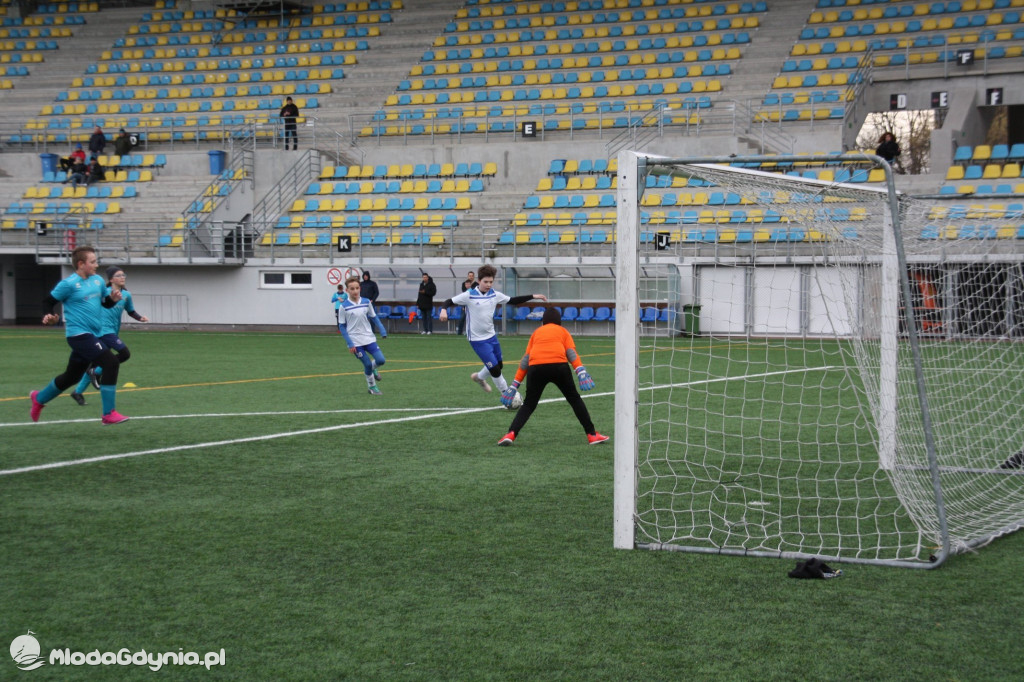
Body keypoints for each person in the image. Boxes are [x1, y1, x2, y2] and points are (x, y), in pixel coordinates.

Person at [29, 245, 129, 425]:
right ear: (81, 264)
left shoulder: (98, 281)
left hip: (94, 335)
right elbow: (48, 302)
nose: (96, 265)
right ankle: (108, 414)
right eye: (93, 262)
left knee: (72, 376)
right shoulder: (68, 284)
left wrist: (112, 300)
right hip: (78, 335)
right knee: (111, 362)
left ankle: (39, 398)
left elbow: (104, 304)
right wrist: (49, 316)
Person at [498, 307, 608, 446]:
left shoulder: (536, 333)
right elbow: (571, 352)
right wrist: (580, 370)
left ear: (543, 322)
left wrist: (515, 384)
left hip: (536, 368)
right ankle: (592, 435)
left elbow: (526, 359)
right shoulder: (563, 331)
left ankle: (511, 434)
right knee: (574, 399)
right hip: (559, 367)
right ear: (559, 321)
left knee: (529, 405)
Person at [438, 264, 547, 396]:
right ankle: (507, 394)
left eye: (491, 281)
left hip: (491, 336)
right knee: (495, 369)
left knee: (499, 366)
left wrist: (533, 296)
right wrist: (443, 310)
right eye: (486, 282)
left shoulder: (495, 294)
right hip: (477, 339)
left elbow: (512, 300)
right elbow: (448, 301)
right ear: (479, 281)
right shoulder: (469, 295)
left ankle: (479, 377)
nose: (489, 284)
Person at [70, 266, 149, 406]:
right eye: (119, 275)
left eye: (124, 275)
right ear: (111, 279)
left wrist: (140, 318)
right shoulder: (103, 293)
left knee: (96, 363)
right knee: (124, 353)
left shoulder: (127, 295)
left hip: (112, 331)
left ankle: (78, 392)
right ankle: (96, 372)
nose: (123, 277)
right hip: (102, 331)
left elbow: (131, 311)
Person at [338, 276, 388, 395]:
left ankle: (373, 368)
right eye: (352, 289)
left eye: (357, 288)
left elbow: (373, 316)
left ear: (360, 288)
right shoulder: (343, 306)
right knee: (366, 364)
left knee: (381, 360)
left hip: (368, 338)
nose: (355, 291)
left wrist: (382, 329)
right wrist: (350, 343)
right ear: (347, 290)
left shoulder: (366, 302)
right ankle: (372, 387)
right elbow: (341, 326)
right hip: (355, 341)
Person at [455, 270, 475, 336]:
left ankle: (472, 332)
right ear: (468, 276)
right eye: (470, 276)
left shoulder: (477, 284)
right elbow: (464, 293)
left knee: (473, 320)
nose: (471, 277)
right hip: (465, 304)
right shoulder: (464, 284)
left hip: (474, 305)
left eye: (472, 276)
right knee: (462, 318)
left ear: (474, 277)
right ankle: (459, 332)